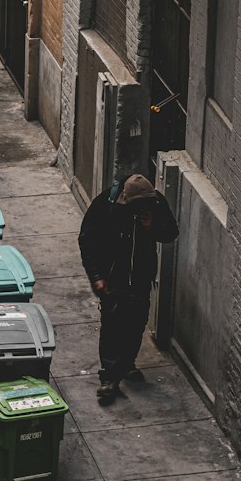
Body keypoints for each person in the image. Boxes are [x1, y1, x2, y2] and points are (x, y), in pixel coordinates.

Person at [79, 171, 179, 404]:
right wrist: (96, 275)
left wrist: (152, 226)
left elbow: (170, 232)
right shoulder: (106, 205)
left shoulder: (155, 203)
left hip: (141, 277)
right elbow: (87, 239)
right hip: (114, 278)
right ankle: (109, 377)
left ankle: (126, 365)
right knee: (113, 324)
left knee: (136, 322)